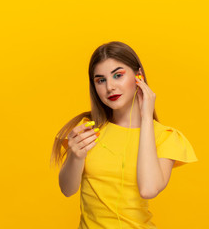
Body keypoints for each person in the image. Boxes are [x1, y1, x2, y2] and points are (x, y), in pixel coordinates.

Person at [50, 41, 198, 228]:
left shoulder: (165, 137)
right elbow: (67, 189)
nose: (109, 87)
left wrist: (145, 118)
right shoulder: (88, 129)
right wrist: (76, 156)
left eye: (118, 75)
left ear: (139, 76)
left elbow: (148, 189)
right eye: (100, 80)